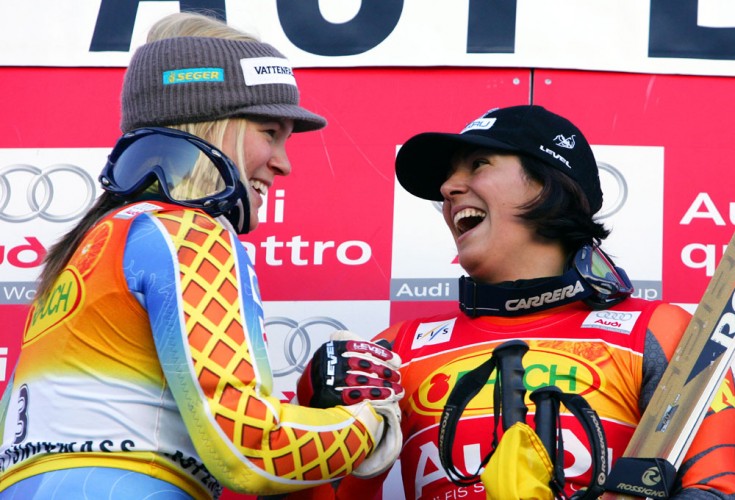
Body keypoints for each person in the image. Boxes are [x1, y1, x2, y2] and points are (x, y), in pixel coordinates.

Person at [0, 12, 403, 500]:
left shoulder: (85, 249)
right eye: (269, 132)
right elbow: (254, 447)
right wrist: (367, 421)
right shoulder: (184, 231)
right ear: (212, 126)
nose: (283, 163)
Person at [290, 105, 735, 499]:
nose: (447, 188)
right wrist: (312, 406)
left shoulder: (657, 331)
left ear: (547, 185)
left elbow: (717, 488)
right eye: (449, 176)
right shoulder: (393, 350)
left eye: (478, 164)